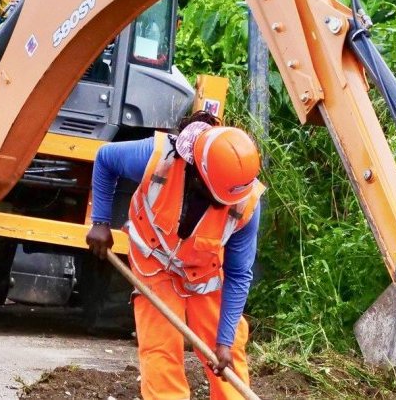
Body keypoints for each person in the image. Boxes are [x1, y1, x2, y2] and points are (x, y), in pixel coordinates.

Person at [85, 111, 264, 400]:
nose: (222, 205)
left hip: (204, 274)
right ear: (198, 172)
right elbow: (105, 159)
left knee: (228, 354)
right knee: (160, 349)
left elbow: (239, 274)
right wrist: (100, 222)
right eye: (216, 197)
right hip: (154, 266)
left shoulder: (244, 202)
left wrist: (224, 341)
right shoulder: (158, 157)